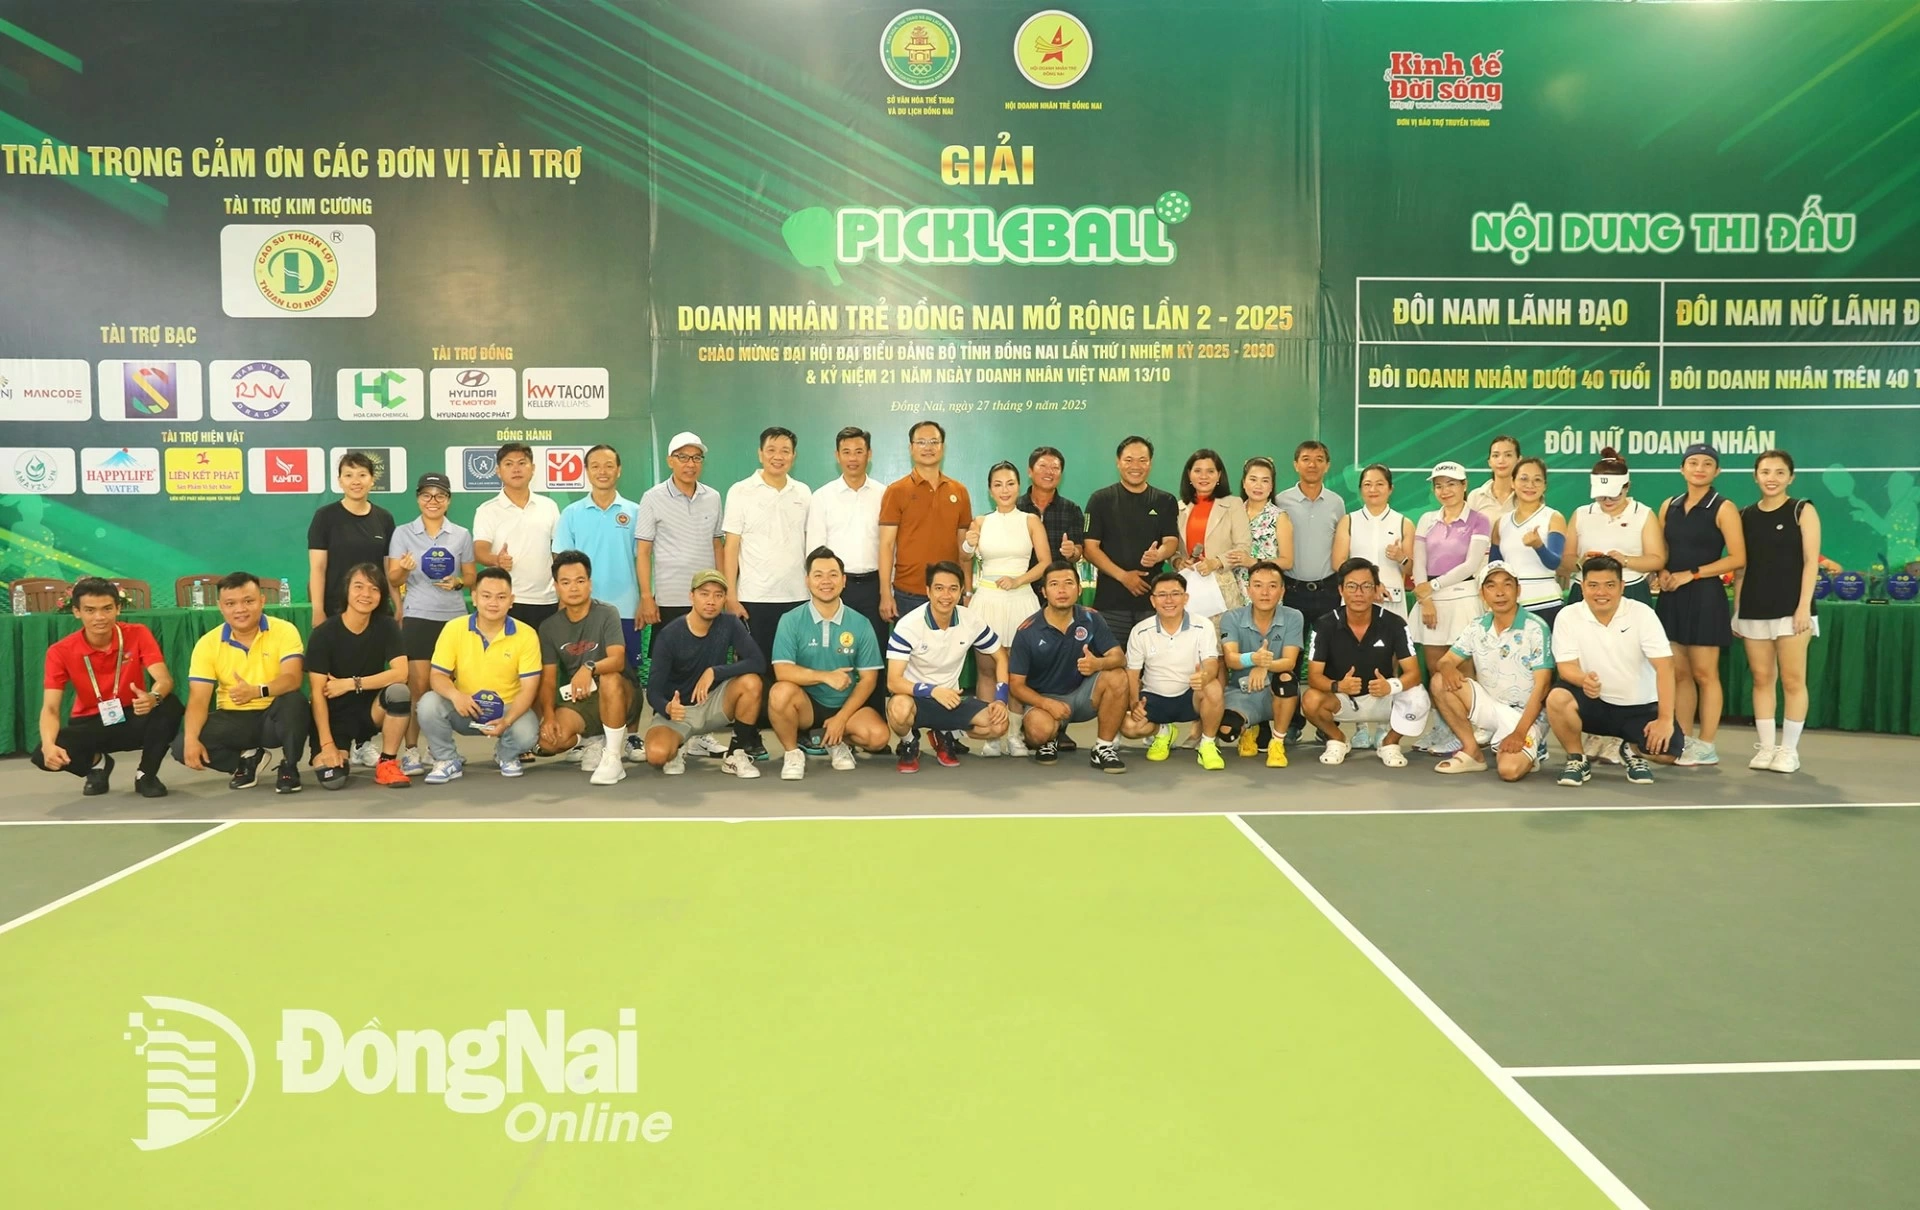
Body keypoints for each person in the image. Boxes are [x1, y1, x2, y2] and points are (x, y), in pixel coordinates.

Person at [31, 576, 182, 797]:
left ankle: (146, 775)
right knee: (42, 755)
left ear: (118, 608)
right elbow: (51, 708)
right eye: (90, 610)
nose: (100, 617)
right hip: (91, 721)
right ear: (76, 612)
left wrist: (153, 697)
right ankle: (97, 763)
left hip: (134, 713)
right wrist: (47, 744)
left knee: (170, 705)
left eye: (107, 609)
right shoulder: (59, 651)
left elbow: (165, 680)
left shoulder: (138, 633)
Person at [1548, 555, 1683, 786]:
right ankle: (1577, 758)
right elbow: (1566, 667)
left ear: (1622, 586)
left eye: (1609, 585)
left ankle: (1630, 750)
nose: (1601, 592)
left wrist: (1665, 719)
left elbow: (1665, 667)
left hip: (1639, 707)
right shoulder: (1568, 616)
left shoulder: (1642, 614)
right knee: (1557, 698)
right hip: (1595, 702)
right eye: (1593, 585)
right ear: (1582, 587)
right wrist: (1583, 680)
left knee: (1668, 753)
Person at [175, 571, 309, 793]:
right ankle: (246, 762)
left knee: (295, 702)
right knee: (182, 745)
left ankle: (289, 766)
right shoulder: (207, 643)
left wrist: (257, 691)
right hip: (234, 718)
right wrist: (190, 739)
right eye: (231, 603)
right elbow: (198, 699)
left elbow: (293, 679)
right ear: (220, 607)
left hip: (273, 716)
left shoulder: (284, 630)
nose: (240, 609)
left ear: (262, 601)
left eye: (248, 601)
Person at [1655, 443, 1746, 767]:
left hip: (1706, 596)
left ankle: (1706, 744)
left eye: (1707, 463)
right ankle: (1682, 739)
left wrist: (1691, 574)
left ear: (1716, 471)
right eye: (1693, 462)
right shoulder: (1669, 505)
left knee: (1705, 674)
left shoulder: (1724, 507)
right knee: (1679, 674)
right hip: (1672, 597)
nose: (1699, 468)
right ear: (1682, 468)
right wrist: (1662, 572)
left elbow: (1738, 557)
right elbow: (1661, 550)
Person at [768, 547, 891, 779]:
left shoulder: (861, 623)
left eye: (833, 575)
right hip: (807, 706)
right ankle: (793, 753)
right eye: (818, 575)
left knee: (878, 737)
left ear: (844, 581)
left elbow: (868, 679)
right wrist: (825, 676)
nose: (826, 581)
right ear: (807, 581)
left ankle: (836, 740)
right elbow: (782, 671)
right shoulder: (790, 620)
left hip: (847, 706)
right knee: (779, 693)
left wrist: (841, 718)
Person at [1734, 449, 1821, 773]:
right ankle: (1767, 748)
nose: (1772, 478)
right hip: (1754, 608)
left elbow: (1811, 562)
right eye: (1766, 472)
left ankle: (1789, 751)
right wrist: (1738, 610)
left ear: (1790, 477)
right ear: (1755, 476)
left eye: (1780, 472)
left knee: (1793, 680)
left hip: (1792, 610)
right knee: (1761, 678)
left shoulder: (1802, 510)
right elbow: (1741, 568)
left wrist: (1803, 608)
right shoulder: (1744, 516)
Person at [1301, 558, 1432, 768]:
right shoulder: (1324, 625)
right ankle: (1337, 739)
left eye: (1366, 586)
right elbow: (1314, 676)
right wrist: (1338, 686)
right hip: (1343, 699)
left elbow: (1413, 674)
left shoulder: (1395, 623)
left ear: (1376, 589)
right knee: (1310, 699)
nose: (1359, 593)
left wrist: (1391, 686)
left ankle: (1390, 743)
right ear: (1341, 590)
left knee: (1418, 696)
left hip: (1383, 697)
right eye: (1352, 586)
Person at [1429, 563, 1553, 781]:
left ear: (1518, 590)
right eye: (1491, 586)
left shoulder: (1536, 627)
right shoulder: (1477, 626)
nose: (1500, 592)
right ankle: (1472, 752)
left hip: (1524, 714)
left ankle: (1535, 744)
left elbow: (1542, 687)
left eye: (1507, 585)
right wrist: (1448, 668)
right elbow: (1446, 661)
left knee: (1509, 771)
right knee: (1440, 681)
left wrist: (1519, 732)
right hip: (1489, 705)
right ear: (1482, 594)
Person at [417, 566, 542, 783]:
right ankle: (447, 759)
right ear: (474, 598)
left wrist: (507, 720)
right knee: (428, 704)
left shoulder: (527, 635)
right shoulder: (454, 628)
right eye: (486, 596)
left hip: (506, 709)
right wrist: (456, 696)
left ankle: (506, 754)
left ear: (511, 601)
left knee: (527, 733)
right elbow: (437, 676)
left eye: (501, 597)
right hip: (464, 707)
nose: (493, 603)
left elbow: (529, 689)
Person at [387, 471, 475, 775]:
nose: (432, 501)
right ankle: (411, 750)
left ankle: (438, 749)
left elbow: (471, 576)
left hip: (454, 619)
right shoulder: (403, 533)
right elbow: (393, 578)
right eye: (426, 495)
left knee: (450, 687)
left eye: (439, 495)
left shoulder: (461, 534)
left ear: (448, 500)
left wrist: (458, 582)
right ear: (418, 499)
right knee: (418, 688)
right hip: (419, 616)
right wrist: (403, 569)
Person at [1008, 559, 1133, 773]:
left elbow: (1119, 658)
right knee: (1038, 732)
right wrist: (1047, 704)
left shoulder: (1091, 618)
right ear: (1044, 592)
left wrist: (1098, 663)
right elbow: (1016, 685)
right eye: (1054, 584)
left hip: (1083, 696)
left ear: (1079, 589)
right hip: (1044, 700)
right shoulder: (1028, 631)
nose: (1062, 590)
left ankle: (1103, 748)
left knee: (1118, 675)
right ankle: (1049, 739)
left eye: (1068, 583)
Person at [885, 561, 1009, 772]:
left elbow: (1001, 657)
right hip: (915, 699)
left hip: (952, 700)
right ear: (928, 591)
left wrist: (1001, 698)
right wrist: (933, 691)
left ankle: (946, 735)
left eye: (953, 589)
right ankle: (909, 742)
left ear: (961, 592)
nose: (946, 595)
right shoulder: (908, 625)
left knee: (999, 725)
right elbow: (893, 681)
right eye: (939, 588)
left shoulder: (970, 620)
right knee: (898, 710)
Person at [642, 569, 766, 778]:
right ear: (691, 596)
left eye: (718, 595)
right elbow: (653, 691)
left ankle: (735, 754)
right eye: (704, 594)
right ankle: (679, 745)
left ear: (724, 599)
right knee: (656, 755)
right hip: (678, 712)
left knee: (751, 682)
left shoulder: (729, 623)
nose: (711, 601)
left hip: (713, 704)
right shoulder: (669, 634)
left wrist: (714, 672)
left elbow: (758, 662)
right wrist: (667, 707)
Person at [965, 461, 1051, 755]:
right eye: (998, 485)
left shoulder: (1030, 520)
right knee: (987, 669)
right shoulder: (980, 522)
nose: (1004, 490)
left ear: (1019, 486)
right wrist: (968, 545)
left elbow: (1045, 563)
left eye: (1010, 483)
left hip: (1021, 599)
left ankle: (1014, 735)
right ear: (990, 490)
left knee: (1016, 672)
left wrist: (1018, 580)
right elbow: (964, 558)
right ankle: (991, 736)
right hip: (987, 601)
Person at [723, 426, 812, 705]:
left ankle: (791, 721)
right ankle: (753, 725)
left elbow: (809, 545)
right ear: (760, 454)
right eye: (771, 450)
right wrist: (731, 596)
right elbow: (731, 547)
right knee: (755, 669)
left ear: (794, 456)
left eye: (785, 451)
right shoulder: (740, 491)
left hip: (797, 598)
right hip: (754, 598)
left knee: (793, 669)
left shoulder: (803, 492)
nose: (778, 456)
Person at [304, 563, 412, 790]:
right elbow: (317, 694)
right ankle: (344, 748)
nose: (366, 594)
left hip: (370, 711)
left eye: (374, 589)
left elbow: (401, 673)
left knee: (399, 692)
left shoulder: (387, 626)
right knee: (334, 780)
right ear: (347, 590)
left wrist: (350, 684)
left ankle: (386, 763)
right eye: (359, 587)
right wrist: (327, 744)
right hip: (336, 718)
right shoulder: (323, 634)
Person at [535, 550, 633, 787]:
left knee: (609, 678)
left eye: (580, 581)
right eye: (566, 582)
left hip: (620, 693)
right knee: (549, 742)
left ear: (590, 583)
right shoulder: (548, 627)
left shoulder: (608, 613)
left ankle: (613, 757)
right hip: (580, 699)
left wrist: (588, 667)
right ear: (556, 586)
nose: (574, 588)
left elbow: (617, 660)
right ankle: (592, 741)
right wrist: (549, 717)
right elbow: (548, 680)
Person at [636, 430, 725, 657]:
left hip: (707, 598)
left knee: (709, 661)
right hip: (670, 599)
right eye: (683, 457)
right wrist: (646, 596)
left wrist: (723, 591)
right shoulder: (652, 497)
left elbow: (717, 545)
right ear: (670, 461)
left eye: (696, 458)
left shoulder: (713, 497)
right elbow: (644, 552)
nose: (690, 464)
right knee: (670, 664)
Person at [1124, 571, 1226, 770]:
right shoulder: (1140, 631)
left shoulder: (1203, 625)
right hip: (1153, 697)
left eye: (1175, 594)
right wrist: (1134, 704)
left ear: (1185, 598)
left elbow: (1212, 663)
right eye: (1162, 595)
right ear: (1153, 601)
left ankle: (1207, 745)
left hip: (1190, 695)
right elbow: (1132, 674)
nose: (1169, 600)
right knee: (1129, 727)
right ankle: (1163, 732)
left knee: (1213, 687)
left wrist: (1204, 677)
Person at [1083, 435, 1180, 644]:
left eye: (1142, 460)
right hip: (1111, 601)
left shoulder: (1165, 500)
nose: (1136, 466)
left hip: (1153, 601)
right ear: (1118, 462)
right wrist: (1123, 576)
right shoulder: (1100, 500)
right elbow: (1090, 548)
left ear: (1150, 464)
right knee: (1112, 658)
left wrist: (1158, 555)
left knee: (1154, 659)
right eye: (1129, 460)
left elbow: (1171, 541)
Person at [553, 444, 644, 661]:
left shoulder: (636, 512)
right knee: (583, 671)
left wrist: (645, 598)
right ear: (586, 471)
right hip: (582, 609)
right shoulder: (571, 513)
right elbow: (561, 562)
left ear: (619, 470)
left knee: (625, 672)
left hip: (626, 609)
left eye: (609, 466)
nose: (602, 471)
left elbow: (644, 559)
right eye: (595, 466)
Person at [880, 420, 972, 623]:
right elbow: (886, 545)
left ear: (943, 447)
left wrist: (967, 591)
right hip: (908, 593)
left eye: (934, 442)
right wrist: (885, 594)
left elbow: (964, 548)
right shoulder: (896, 491)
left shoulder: (959, 491)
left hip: (949, 593)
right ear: (911, 448)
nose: (928, 447)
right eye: (921, 442)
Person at [1215, 561, 1305, 767]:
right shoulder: (1232, 617)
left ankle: (1277, 742)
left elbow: (1289, 662)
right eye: (1257, 585)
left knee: (1286, 680)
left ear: (1282, 591)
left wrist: (1264, 666)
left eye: (1272, 586)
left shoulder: (1294, 617)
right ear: (1248, 590)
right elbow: (1231, 659)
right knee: (1227, 732)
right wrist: (1253, 659)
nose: (1265, 592)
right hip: (1242, 691)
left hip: (1277, 692)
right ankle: (1251, 727)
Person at [805, 426, 887, 646]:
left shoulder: (884, 494)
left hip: (875, 587)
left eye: (859, 452)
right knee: (835, 649)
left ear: (869, 454)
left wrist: (888, 588)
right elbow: (815, 550)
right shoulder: (822, 496)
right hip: (835, 587)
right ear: (837, 455)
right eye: (846, 452)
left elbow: (891, 545)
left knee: (874, 649)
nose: (853, 458)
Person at [474, 442, 562, 629]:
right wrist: (496, 560)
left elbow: (558, 552)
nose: (516, 469)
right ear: (498, 471)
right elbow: (480, 551)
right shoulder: (487, 510)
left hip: (547, 600)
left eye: (522, 463)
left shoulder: (549, 506)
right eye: (509, 464)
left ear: (533, 469)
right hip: (506, 600)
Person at [1564, 447, 1665, 607]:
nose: (1607, 501)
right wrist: (1580, 562)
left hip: (1630, 590)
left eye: (1614, 495)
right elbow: (1565, 559)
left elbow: (1657, 560)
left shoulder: (1643, 514)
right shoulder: (1581, 514)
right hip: (1586, 590)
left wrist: (1625, 560)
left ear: (1627, 487)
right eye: (1601, 495)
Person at [307, 451, 396, 624]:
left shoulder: (384, 518)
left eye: (362, 475)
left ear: (372, 480)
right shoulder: (325, 517)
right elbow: (318, 568)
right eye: (348, 475)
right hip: (336, 610)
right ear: (340, 481)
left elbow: (388, 568)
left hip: (377, 610)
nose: (356, 481)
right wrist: (317, 610)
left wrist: (398, 606)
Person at [1489, 456, 1567, 628]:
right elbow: (1494, 568)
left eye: (1537, 480)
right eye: (1524, 479)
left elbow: (1554, 562)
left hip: (1546, 603)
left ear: (1545, 485)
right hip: (1510, 606)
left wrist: (1538, 546)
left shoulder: (1553, 517)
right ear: (1513, 482)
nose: (1530, 485)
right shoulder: (1501, 523)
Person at [1174, 448, 1251, 619]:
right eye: (1198, 471)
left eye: (1210, 471)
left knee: (1223, 635)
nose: (1204, 476)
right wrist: (1178, 561)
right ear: (1189, 475)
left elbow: (1243, 546)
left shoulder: (1233, 504)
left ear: (1219, 475)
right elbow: (1173, 549)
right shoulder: (1178, 508)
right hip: (1188, 587)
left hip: (1222, 586)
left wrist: (1216, 562)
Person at [1276, 440, 1346, 627]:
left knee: (1329, 644)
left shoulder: (1336, 503)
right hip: (1290, 590)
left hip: (1328, 591)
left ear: (1327, 465)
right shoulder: (1280, 501)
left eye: (1319, 459)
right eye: (1306, 459)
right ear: (1296, 464)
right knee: (1290, 645)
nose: (1312, 465)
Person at [1332, 463, 1412, 621]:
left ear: (1390, 488)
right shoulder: (1349, 521)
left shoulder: (1404, 523)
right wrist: (1369, 585)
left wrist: (1401, 557)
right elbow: (1338, 563)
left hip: (1391, 600)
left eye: (1380, 484)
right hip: (1356, 597)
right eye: (1367, 485)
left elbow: (1410, 569)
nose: (1373, 489)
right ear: (1360, 489)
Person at [1016, 445, 1085, 598]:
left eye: (1055, 468)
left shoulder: (1071, 509)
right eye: (1042, 466)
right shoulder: (1016, 508)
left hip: (1058, 591)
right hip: (1021, 588)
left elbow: (1078, 551)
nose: (1049, 472)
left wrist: (1072, 552)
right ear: (1030, 471)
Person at [1228, 456, 1293, 598]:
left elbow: (1287, 561)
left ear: (1271, 486)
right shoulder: (1232, 513)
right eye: (1253, 479)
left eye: (1265, 481)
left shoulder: (1279, 517)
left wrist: (1254, 562)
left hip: (1265, 593)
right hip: (1232, 590)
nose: (1258, 486)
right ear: (1244, 483)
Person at [1466, 435, 1522, 522]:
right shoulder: (1476, 496)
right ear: (1489, 462)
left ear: (1519, 460)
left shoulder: (1526, 494)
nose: (1501, 460)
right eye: (1496, 455)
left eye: (1508, 455)